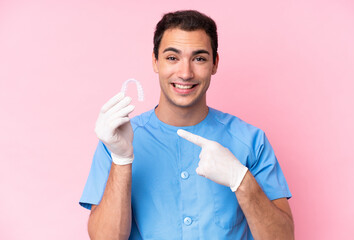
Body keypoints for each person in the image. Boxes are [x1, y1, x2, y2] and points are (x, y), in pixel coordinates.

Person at [80, 10, 294, 240]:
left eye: (199, 58)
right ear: (155, 61)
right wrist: (121, 160)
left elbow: (283, 237)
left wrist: (241, 181)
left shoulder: (251, 141)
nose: (185, 73)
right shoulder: (118, 141)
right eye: (172, 58)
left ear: (215, 63)